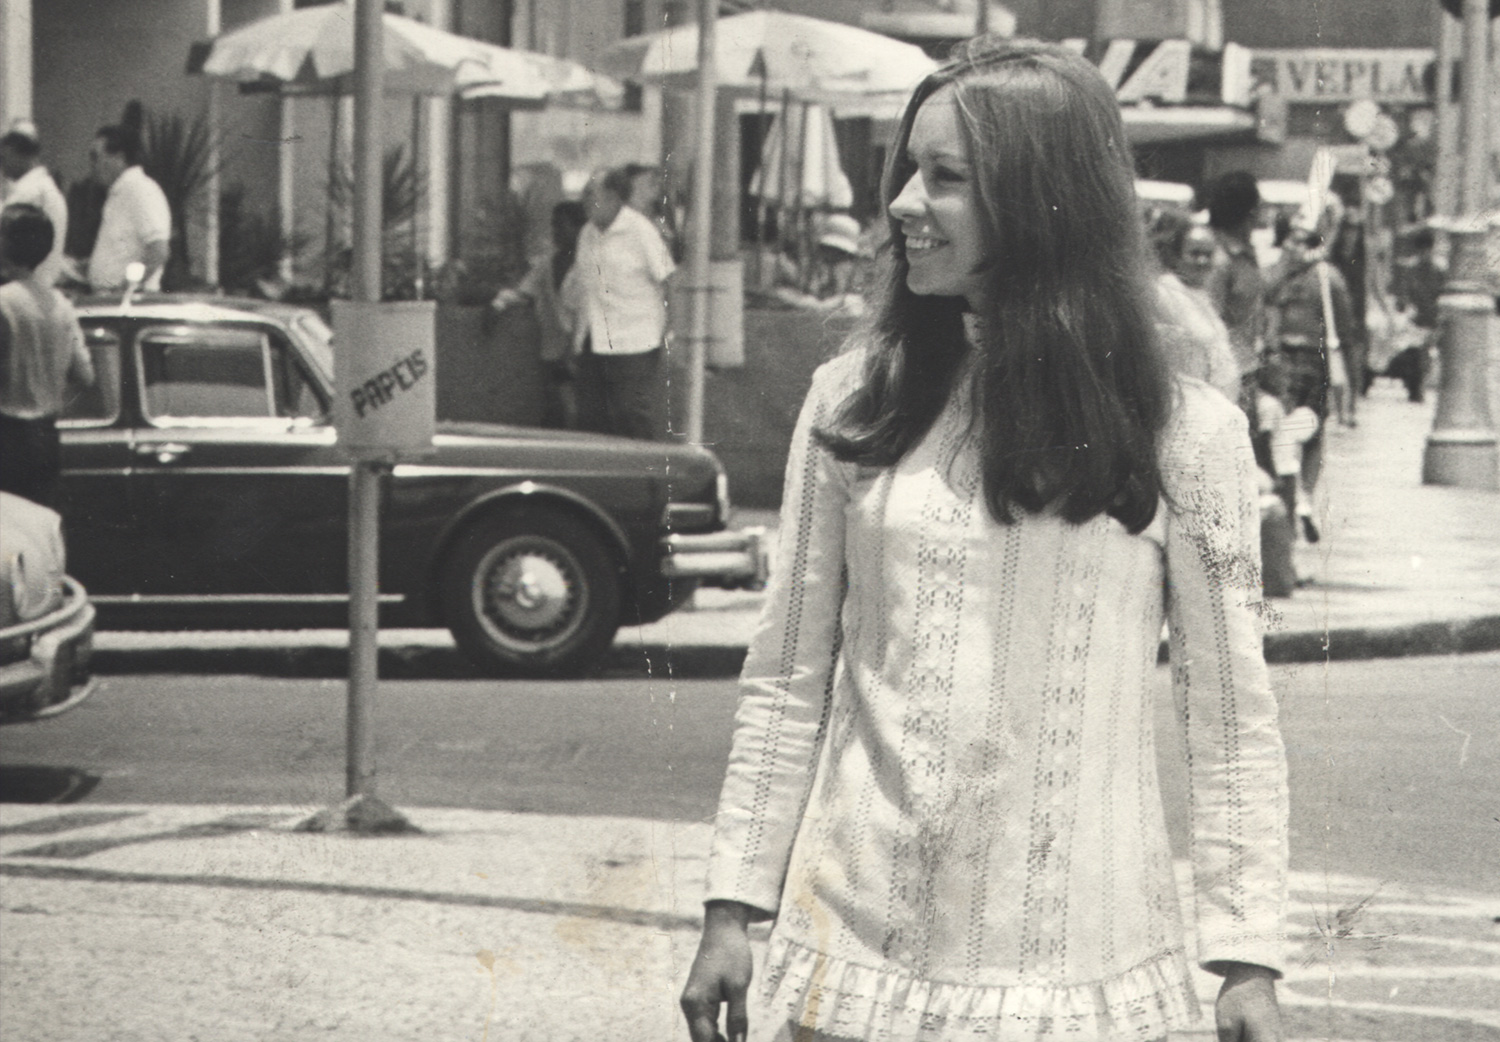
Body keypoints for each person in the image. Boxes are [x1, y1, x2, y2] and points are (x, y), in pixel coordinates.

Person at [680, 38, 1287, 1042]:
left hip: (1079, 977)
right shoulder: (854, 402)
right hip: (858, 970)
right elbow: (787, 677)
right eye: (907, 170)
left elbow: (1230, 719)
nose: (903, 202)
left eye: (946, 177)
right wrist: (730, 907)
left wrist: (1248, 961)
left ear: (1045, 200)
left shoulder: (1188, 435)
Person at [562, 166, 676, 441]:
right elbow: (584, 288)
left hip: (634, 340)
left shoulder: (640, 230)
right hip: (593, 339)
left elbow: (669, 281)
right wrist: (574, 340)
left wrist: (669, 332)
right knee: (590, 419)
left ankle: (644, 468)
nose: (584, 200)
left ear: (613, 197)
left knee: (630, 414)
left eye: (591, 193)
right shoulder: (587, 234)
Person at [0, 204, 94, 508]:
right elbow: (85, 375)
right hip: (46, 437)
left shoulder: (4, 303)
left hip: (7, 435)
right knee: (38, 522)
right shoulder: (61, 305)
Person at [491, 200, 589, 429]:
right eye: (554, 225)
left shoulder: (592, 264)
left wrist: (574, 347)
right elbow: (524, 292)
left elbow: (590, 310)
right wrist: (497, 305)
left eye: (561, 225)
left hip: (583, 350)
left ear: (578, 228)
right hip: (554, 348)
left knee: (579, 410)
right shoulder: (547, 263)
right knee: (558, 409)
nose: (556, 231)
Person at [1148, 208, 1240, 400]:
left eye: (1208, 254)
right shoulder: (1165, 293)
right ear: (1176, 255)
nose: (1202, 260)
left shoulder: (1202, 293)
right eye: (1195, 253)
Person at [1204, 171, 1266, 408]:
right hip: (1226, 375)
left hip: (1247, 365)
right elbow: (1211, 319)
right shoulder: (1220, 259)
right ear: (1250, 211)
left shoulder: (1245, 253)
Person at [87, 124, 171, 292]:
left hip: (130, 300)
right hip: (108, 297)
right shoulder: (120, 193)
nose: (92, 165)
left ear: (119, 157)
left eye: (95, 157)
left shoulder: (140, 189)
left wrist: (125, 289)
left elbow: (158, 251)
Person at [0, 122, 68, 287]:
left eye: (3, 158)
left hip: (28, 281)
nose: (1, 166)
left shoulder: (30, 191)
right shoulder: (45, 187)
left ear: (19, 155)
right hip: (41, 281)